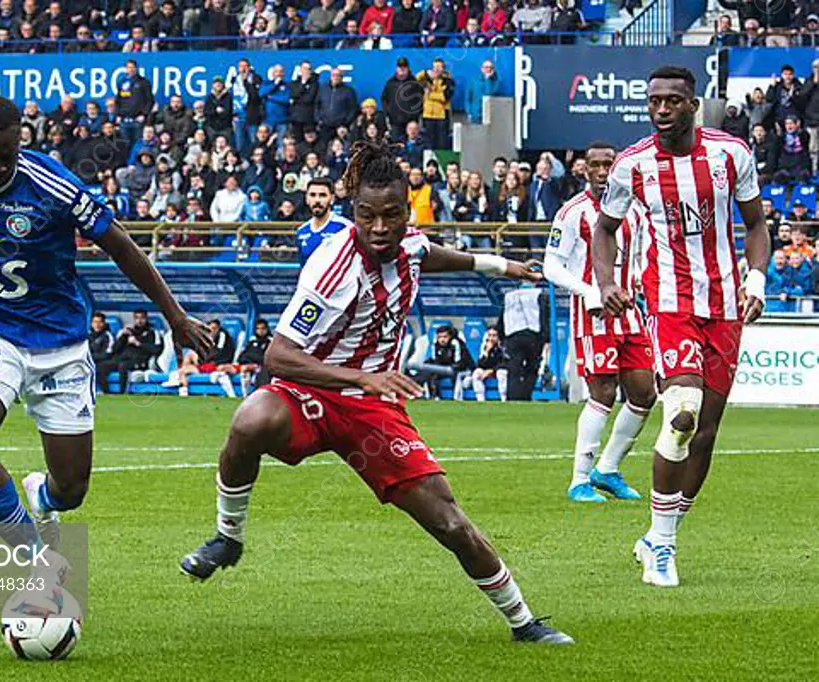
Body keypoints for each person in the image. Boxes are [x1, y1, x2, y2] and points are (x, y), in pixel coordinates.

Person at [179, 140, 573, 646]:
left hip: (373, 411)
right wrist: (362, 377)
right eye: (368, 216)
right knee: (250, 419)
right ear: (353, 212)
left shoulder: (408, 243)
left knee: (449, 523)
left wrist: (498, 265)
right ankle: (227, 539)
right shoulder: (332, 268)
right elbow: (277, 356)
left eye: (392, 215)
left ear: (408, 211)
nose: (381, 228)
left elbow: (432, 254)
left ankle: (524, 623)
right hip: (314, 391)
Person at [0, 96, 210, 577]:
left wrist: (174, 315)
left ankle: (42, 496)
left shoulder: (50, 184)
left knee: (71, 490)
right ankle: (39, 561)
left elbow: (120, 245)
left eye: (6, 155)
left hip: (59, 344)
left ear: (21, 140)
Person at [593, 66, 770, 588]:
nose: (661, 109)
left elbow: (757, 224)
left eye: (672, 101)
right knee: (683, 414)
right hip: (669, 304)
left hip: (724, 306)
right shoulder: (632, 165)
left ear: (693, 105)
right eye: (653, 101)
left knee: (706, 432)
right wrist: (606, 283)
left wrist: (755, 279)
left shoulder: (730, 154)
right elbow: (605, 231)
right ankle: (663, 547)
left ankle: (659, 533)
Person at [543, 141, 657, 504]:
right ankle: (579, 479)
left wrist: (639, 282)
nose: (603, 169)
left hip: (629, 311)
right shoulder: (572, 212)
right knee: (603, 392)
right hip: (594, 313)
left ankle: (607, 469)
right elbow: (552, 265)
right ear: (584, 169)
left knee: (644, 392)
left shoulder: (634, 210)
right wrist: (589, 291)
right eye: (595, 164)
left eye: (609, 162)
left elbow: (639, 257)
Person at [164, 319, 237, 397]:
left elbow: (220, 353)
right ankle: (181, 389)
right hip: (205, 364)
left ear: (218, 328)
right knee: (186, 362)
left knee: (185, 368)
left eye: (214, 328)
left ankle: (178, 379)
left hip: (214, 364)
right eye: (210, 328)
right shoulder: (206, 337)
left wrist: (206, 359)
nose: (212, 331)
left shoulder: (222, 336)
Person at [296, 177, 353, 265]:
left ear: (332, 199)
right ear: (306, 199)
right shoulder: (301, 231)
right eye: (312, 195)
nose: (317, 200)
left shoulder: (345, 228)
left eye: (322, 195)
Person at [408, 324, 474, 401]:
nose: (442, 340)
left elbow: (460, 362)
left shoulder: (455, 343)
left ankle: (457, 398)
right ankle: (433, 396)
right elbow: (435, 361)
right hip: (444, 369)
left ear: (450, 336)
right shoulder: (436, 344)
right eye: (439, 337)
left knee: (452, 373)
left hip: (460, 368)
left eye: (445, 337)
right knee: (428, 373)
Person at [236, 318, 272, 396]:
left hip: (263, 368)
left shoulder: (270, 341)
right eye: (258, 329)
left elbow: (265, 358)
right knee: (244, 369)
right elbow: (242, 356)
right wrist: (250, 361)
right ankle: (245, 395)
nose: (260, 331)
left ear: (267, 329)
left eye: (263, 328)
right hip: (250, 366)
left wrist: (254, 361)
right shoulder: (252, 341)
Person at [469, 328, 507, 402]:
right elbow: (479, 364)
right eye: (489, 335)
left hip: (500, 370)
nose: (491, 338)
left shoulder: (504, 346)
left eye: (494, 336)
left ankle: (504, 398)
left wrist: (492, 370)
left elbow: (506, 363)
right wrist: (486, 352)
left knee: (501, 373)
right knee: (477, 373)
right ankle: (480, 399)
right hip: (489, 371)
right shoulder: (485, 345)